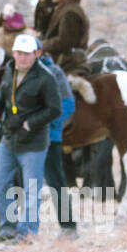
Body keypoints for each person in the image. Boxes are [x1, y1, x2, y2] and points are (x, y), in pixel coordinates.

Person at [0, 33, 62, 242]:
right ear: (14, 53)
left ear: (36, 54)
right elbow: (3, 93)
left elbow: (55, 109)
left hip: (33, 143)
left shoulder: (46, 78)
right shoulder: (9, 70)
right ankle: (8, 227)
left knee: (31, 190)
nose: (23, 58)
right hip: (9, 138)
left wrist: (31, 123)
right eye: (19, 53)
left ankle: (27, 233)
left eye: (28, 54)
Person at [39, 45, 78, 236]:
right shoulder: (14, 72)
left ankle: (68, 226)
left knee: (55, 179)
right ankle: (11, 226)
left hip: (49, 136)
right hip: (19, 137)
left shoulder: (55, 72)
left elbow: (68, 104)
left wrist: (48, 123)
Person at [41, 0, 89, 73]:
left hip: (69, 63)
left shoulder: (70, 12)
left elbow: (64, 42)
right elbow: (41, 28)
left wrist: (40, 45)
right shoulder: (64, 8)